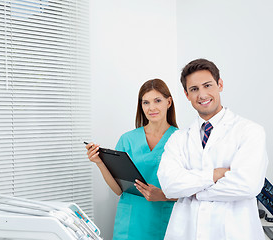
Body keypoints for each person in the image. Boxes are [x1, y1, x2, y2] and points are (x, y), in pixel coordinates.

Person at [157, 58, 268, 240]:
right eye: (194, 89)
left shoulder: (250, 131)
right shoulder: (178, 138)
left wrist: (192, 191)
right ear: (186, 95)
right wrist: (215, 175)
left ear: (220, 85)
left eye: (207, 85)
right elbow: (169, 186)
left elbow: (248, 185)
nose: (202, 95)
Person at [86, 79, 178, 240]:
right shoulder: (127, 139)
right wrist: (100, 163)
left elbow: (193, 191)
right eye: (146, 102)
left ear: (168, 102)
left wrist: (162, 195)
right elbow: (118, 190)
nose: (152, 108)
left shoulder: (182, 139)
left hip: (164, 220)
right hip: (130, 223)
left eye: (157, 101)